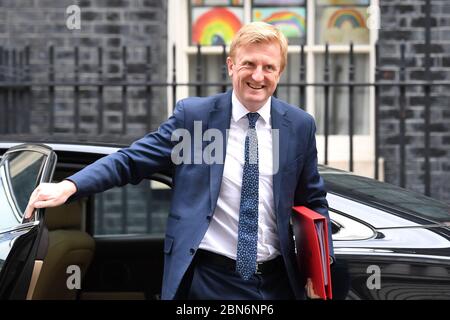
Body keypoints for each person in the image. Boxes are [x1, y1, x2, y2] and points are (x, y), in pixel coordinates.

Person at [25, 22, 334, 300]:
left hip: (279, 283)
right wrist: (70, 185)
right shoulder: (194, 118)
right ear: (230, 66)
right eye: (249, 64)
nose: (258, 76)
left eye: (269, 67)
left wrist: (319, 272)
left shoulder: (299, 125)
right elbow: (131, 161)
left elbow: (314, 201)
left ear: (279, 72)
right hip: (212, 281)